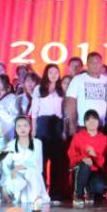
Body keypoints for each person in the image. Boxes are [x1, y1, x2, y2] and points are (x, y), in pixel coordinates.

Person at [33, 63, 67, 201]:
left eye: (56, 73)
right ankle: (41, 191)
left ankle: (54, 192)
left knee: (56, 160)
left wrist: (64, 130)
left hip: (57, 124)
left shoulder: (61, 90)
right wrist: (34, 129)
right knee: (42, 159)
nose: (53, 75)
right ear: (46, 74)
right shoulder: (39, 89)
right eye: (51, 72)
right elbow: (34, 111)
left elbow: (64, 112)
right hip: (43, 124)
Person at [3, 116, 48, 207]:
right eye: (19, 126)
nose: (22, 128)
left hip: (32, 173)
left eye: (25, 125)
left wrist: (21, 167)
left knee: (31, 172)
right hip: (16, 173)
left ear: (30, 127)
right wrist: (13, 172)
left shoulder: (37, 143)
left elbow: (36, 162)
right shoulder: (11, 145)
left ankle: (37, 197)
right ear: (15, 129)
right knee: (16, 180)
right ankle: (15, 196)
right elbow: (6, 165)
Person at [68, 109, 107, 206]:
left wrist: (95, 155)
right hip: (79, 170)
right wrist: (83, 158)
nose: (92, 122)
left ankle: (89, 191)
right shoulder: (78, 137)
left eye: (94, 119)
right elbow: (71, 158)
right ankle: (78, 195)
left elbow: (103, 164)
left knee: (100, 187)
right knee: (85, 165)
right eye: (88, 120)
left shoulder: (104, 138)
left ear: (99, 122)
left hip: (95, 171)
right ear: (85, 123)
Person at [65, 52, 107, 136]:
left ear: (101, 64)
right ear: (87, 64)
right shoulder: (78, 79)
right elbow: (71, 103)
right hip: (83, 125)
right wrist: (72, 124)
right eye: (92, 62)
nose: (95, 65)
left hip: (102, 125)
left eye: (97, 62)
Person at [0, 74, 19, 145]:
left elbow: (15, 115)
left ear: (6, 84)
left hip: (7, 128)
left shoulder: (12, 97)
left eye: (0, 82)